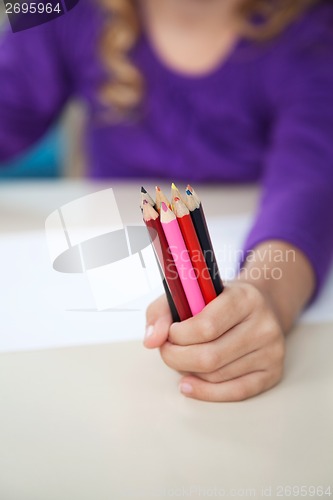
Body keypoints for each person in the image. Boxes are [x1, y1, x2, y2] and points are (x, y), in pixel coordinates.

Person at [1, 0, 333, 401]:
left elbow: (309, 187)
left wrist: (267, 296)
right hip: (103, 310)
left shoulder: (315, 29)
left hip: (251, 273)